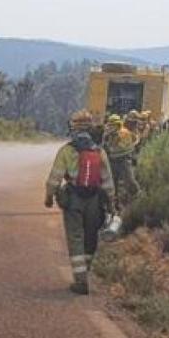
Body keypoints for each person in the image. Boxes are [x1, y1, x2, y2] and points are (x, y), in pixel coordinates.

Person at [45, 110, 116, 295]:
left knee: (75, 237)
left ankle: (80, 280)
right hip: (95, 201)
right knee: (91, 237)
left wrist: (49, 197)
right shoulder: (99, 151)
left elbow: (54, 178)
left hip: (74, 200)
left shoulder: (66, 151)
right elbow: (108, 182)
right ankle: (86, 269)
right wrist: (111, 204)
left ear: (73, 128)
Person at [103, 114, 140, 206]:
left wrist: (114, 144)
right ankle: (115, 203)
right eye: (110, 125)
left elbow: (124, 147)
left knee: (129, 180)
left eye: (112, 125)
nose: (110, 127)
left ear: (117, 125)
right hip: (112, 161)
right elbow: (105, 147)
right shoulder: (108, 135)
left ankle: (137, 197)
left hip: (124, 161)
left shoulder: (124, 133)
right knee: (113, 183)